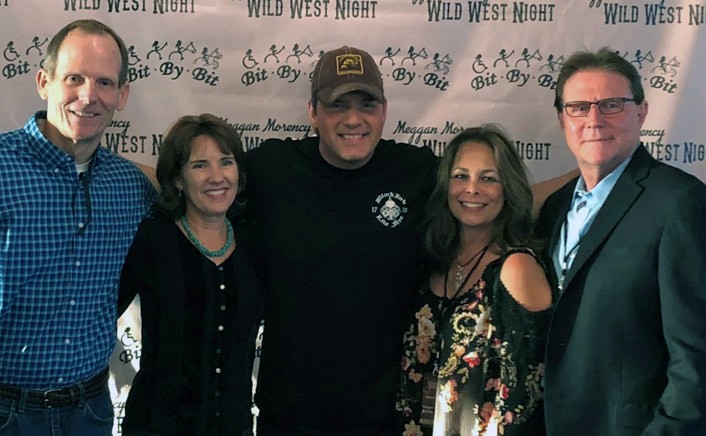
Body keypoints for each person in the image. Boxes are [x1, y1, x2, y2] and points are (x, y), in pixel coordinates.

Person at [0, 19, 156, 436]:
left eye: (105, 83)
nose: (89, 96)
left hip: (90, 412)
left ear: (122, 96)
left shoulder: (130, 187)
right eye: (74, 78)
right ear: (43, 81)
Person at [243, 46, 438, 435]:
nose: (354, 119)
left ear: (384, 111)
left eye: (367, 105)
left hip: (386, 417)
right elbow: (188, 182)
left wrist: (594, 178)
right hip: (288, 417)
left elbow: (498, 196)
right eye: (338, 105)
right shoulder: (272, 169)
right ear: (313, 112)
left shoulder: (418, 172)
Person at [536, 47, 706, 435]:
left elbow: (696, 357)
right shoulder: (555, 209)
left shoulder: (679, 202)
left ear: (641, 111)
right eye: (579, 107)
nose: (594, 120)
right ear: (563, 118)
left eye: (611, 104)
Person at [397, 125, 552, 436]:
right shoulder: (436, 260)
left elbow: (524, 398)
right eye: (460, 176)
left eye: (488, 178)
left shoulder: (516, 268)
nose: (472, 189)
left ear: (508, 188)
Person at [117, 114, 262, 435]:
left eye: (226, 162)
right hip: (156, 427)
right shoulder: (152, 240)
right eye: (199, 165)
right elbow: (98, 315)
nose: (217, 176)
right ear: (178, 179)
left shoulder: (255, 244)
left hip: (233, 427)